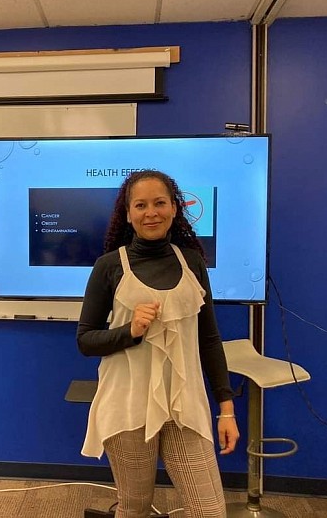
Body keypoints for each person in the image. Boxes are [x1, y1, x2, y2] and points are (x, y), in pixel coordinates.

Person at [76, 169, 239, 518]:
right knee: (134, 508)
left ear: (174, 208)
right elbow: (86, 340)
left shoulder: (192, 262)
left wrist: (226, 410)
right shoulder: (109, 266)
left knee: (210, 511)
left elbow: (210, 340)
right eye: (141, 205)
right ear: (128, 214)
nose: (151, 212)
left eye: (160, 203)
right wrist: (130, 331)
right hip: (128, 406)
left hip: (184, 406)